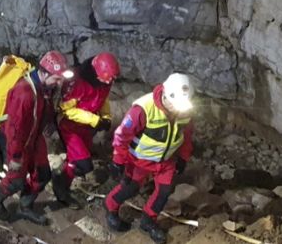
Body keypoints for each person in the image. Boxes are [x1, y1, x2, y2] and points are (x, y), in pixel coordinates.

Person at [103, 73, 196, 244]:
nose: (177, 110)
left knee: (164, 191)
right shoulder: (143, 109)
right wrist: (118, 160)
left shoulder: (184, 109)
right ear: (166, 96)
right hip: (139, 160)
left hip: (165, 161)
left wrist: (183, 157)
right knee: (130, 188)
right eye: (175, 105)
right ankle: (110, 207)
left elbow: (187, 136)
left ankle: (148, 221)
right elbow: (122, 136)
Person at [0, 51, 72, 225]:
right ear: (44, 73)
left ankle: (25, 206)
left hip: (34, 137)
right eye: (56, 78)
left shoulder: (46, 89)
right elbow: (14, 130)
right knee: (16, 179)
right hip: (19, 142)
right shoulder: (24, 93)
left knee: (43, 174)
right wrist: (16, 157)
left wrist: (48, 122)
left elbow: (44, 110)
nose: (59, 83)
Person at [51, 52, 120, 209]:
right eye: (107, 78)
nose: (109, 81)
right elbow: (66, 110)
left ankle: (63, 187)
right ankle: (59, 182)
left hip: (86, 127)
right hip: (70, 127)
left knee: (75, 160)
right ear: (97, 72)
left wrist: (106, 117)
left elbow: (103, 99)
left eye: (111, 78)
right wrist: (95, 120)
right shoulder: (77, 82)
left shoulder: (104, 81)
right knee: (84, 164)